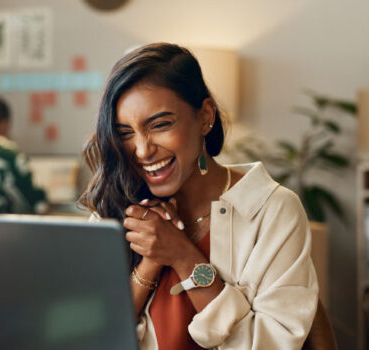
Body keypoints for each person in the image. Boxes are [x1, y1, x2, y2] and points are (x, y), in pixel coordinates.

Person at [78, 43, 318, 349]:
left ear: (205, 116)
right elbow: (90, 336)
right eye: (125, 133)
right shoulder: (116, 203)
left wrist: (183, 257)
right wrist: (150, 263)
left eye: (160, 125)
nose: (142, 150)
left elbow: (270, 344)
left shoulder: (272, 210)